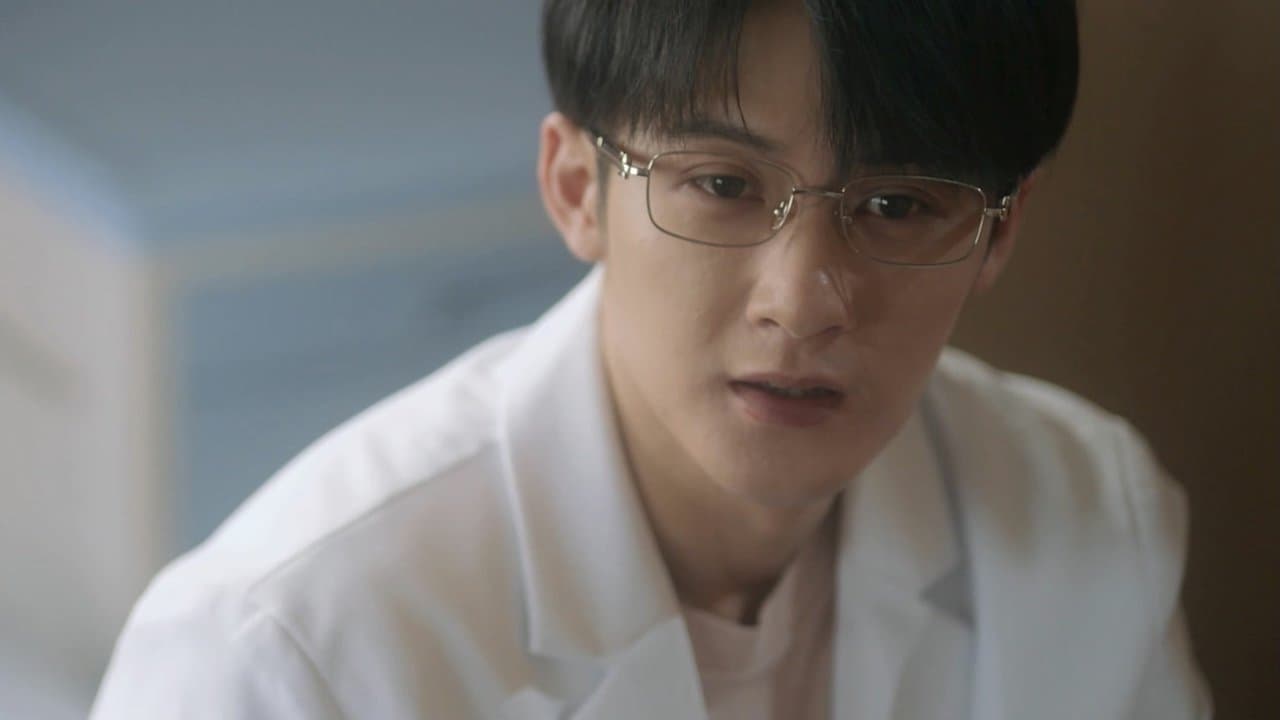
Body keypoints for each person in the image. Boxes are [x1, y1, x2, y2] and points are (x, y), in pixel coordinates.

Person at [91, 1, 1211, 718]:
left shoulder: (1088, 520)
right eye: (721, 185)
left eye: (897, 205)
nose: (800, 304)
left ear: (998, 234)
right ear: (577, 187)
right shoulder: (281, 654)